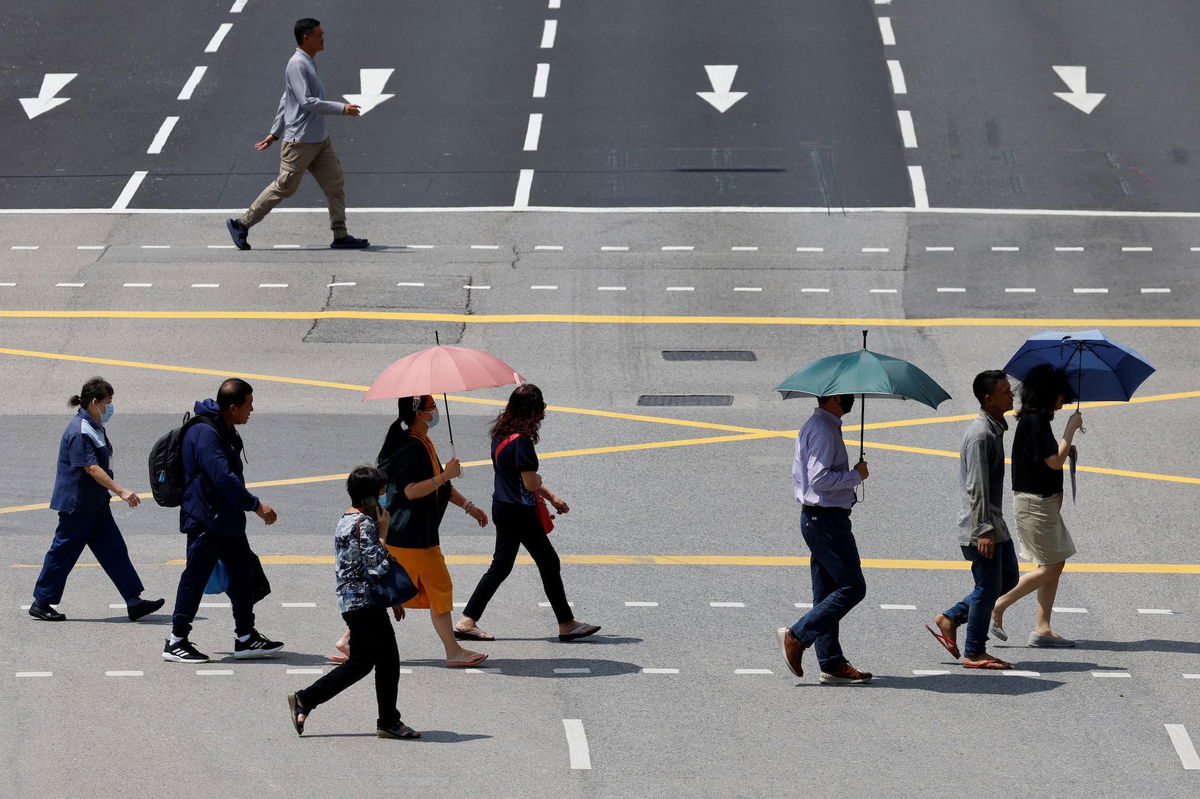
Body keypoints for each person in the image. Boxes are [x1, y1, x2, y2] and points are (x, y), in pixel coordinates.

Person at [328, 396, 490, 668]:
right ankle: (453, 651)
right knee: (438, 588)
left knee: (391, 588)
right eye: (430, 407)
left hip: (411, 533)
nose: (435, 411)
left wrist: (467, 505)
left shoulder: (421, 442)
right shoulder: (412, 447)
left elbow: (439, 485)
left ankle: (348, 640)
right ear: (420, 414)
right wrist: (445, 475)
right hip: (412, 533)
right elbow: (411, 490)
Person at [455, 384, 601, 643]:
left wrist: (552, 497)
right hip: (519, 512)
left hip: (502, 506)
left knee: (500, 567)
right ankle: (566, 623)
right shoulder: (521, 441)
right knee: (548, 562)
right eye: (540, 408)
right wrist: (541, 481)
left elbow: (517, 476)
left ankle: (467, 621)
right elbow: (530, 482)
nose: (543, 413)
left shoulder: (501, 433)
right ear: (531, 411)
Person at [288, 466, 419, 740]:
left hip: (354, 602)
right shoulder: (366, 524)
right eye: (381, 493)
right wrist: (384, 533)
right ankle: (388, 721)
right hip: (365, 603)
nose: (384, 499)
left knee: (361, 663)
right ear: (370, 496)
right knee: (388, 661)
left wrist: (389, 598)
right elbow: (377, 566)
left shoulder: (345, 520)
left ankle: (306, 699)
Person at [163, 378, 283, 664]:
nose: (252, 410)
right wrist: (255, 505)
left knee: (242, 571)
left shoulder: (223, 427)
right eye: (249, 405)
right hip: (206, 519)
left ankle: (245, 637)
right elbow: (222, 478)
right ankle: (176, 640)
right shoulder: (205, 433)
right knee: (195, 577)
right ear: (232, 407)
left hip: (225, 519)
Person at [225, 18, 369, 251]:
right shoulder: (297, 64)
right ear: (306, 38)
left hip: (320, 141)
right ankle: (241, 224)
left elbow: (286, 99)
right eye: (320, 35)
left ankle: (340, 234)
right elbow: (305, 101)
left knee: (335, 185)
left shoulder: (308, 62)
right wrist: (342, 108)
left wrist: (273, 133)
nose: (324, 38)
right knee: (285, 187)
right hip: (300, 142)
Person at [29, 377, 164, 622]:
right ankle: (41, 601)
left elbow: (105, 460)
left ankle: (134, 601)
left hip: (95, 503)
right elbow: (91, 468)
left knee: (114, 550)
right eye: (108, 402)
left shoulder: (95, 424)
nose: (110, 407)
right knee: (63, 553)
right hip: (78, 505)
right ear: (95, 402)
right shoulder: (80, 431)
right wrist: (120, 490)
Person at [776, 393, 873, 685]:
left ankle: (831, 662)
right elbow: (819, 479)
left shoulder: (823, 425)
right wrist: (855, 475)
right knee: (853, 587)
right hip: (826, 520)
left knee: (826, 593)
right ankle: (797, 635)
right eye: (847, 395)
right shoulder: (823, 430)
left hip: (823, 519)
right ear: (832, 398)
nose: (852, 398)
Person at [926, 370, 1019, 669]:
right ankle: (974, 651)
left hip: (993, 523)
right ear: (989, 399)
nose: (1012, 394)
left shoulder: (994, 428)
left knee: (1008, 579)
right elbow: (976, 486)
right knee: (988, 588)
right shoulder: (981, 435)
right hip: (982, 526)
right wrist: (984, 531)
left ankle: (950, 618)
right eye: (1006, 391)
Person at [990, 365, 1083, 648]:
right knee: (1052, 566)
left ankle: (1042, 628)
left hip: (1041, 503)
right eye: (1060, 393)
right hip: (1035, 505)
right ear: (1047, 394)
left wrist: (1066, 447)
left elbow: (1047, 459)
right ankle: (999, 605)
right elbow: (1053, 461)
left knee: (1054, 562)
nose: (1064, 399)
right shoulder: (1034, 423)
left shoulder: (1035, 421)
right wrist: (1070, 430)